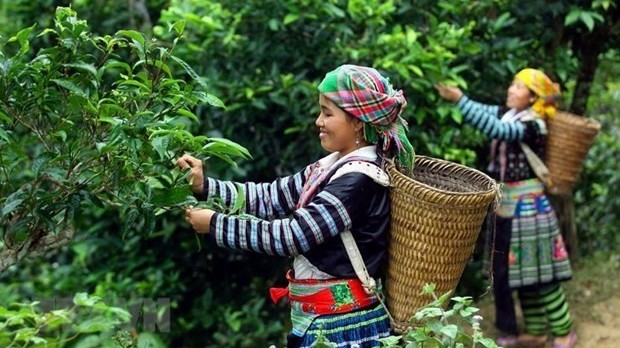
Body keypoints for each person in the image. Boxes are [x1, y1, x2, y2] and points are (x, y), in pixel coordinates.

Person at [177, 65, 415, 348]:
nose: (318, 121)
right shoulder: (330, 168)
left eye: (328, 114)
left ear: (357, 122)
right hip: (321, 321)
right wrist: (206, 187)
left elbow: (292, 236)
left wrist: (217, 224)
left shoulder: (357, 180)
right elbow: (270, 197)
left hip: (344, 328)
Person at [435, 69, 577, 348]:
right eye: (512, 84)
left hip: (529, 208)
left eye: (518, 87)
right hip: (508, 205)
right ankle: (536, 332)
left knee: (542, 273)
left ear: (533, 97)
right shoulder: (508, 112)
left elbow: (497, 130)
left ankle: (564, 331)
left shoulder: (534, 124)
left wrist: (460, 99)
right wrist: (458, 100)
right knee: (521, 274)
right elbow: (481, 110)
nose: (511, 90)